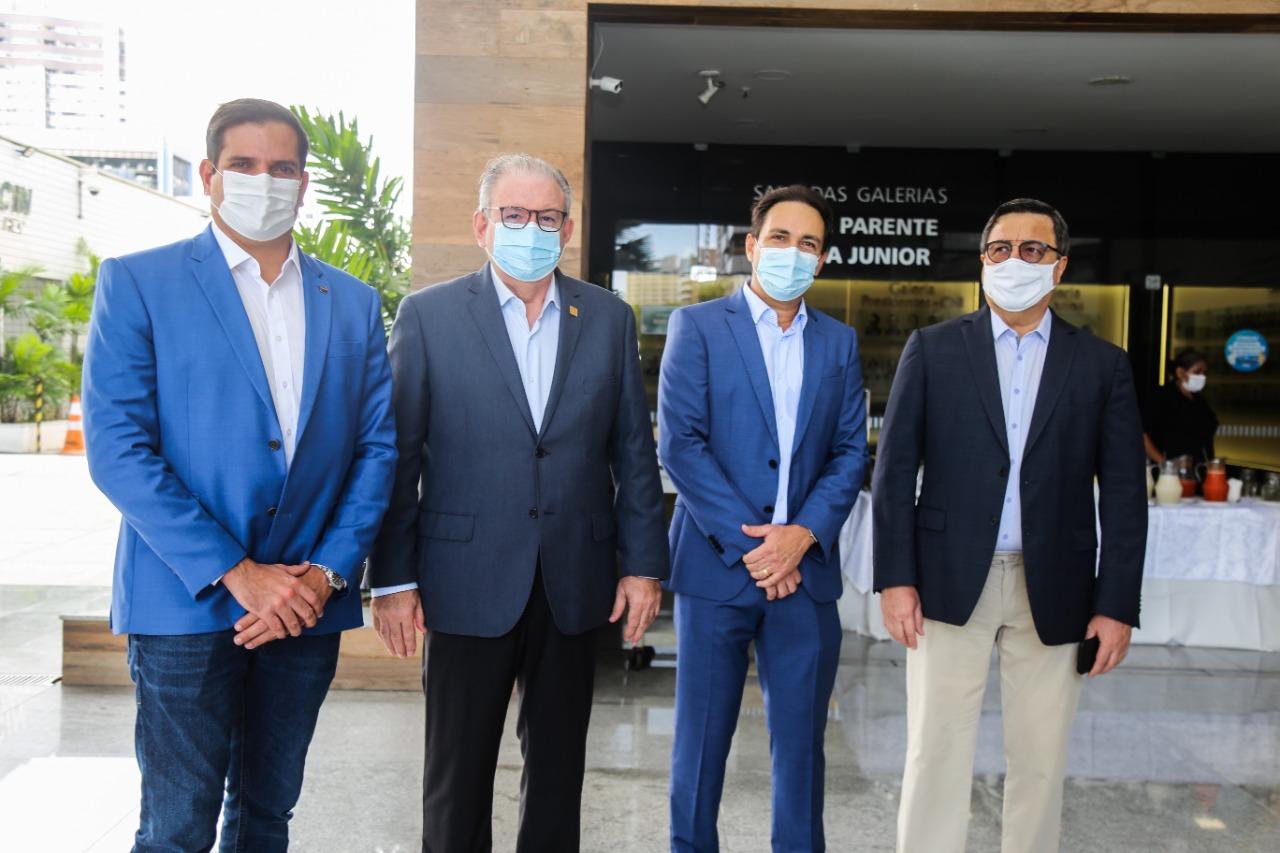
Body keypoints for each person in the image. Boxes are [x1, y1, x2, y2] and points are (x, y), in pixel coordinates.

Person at [81, 98, 397, 852]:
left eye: (282, 168)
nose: (265, 181)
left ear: (304, 182)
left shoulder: (352, 303)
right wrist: (238, 571)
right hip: (184, 601)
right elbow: (118, 447)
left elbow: (376, 450)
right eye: (245, 165)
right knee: (176, 824)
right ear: (208, 175)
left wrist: (322, 574)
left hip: (305, 604)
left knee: (266, 815)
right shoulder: (139, 283)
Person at [367, 153, 668, 853]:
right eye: (515, 215)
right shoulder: (429, 316)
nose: (532, 229)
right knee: (457, 773)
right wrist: (393, 577)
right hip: (462, 577)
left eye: (547, 217)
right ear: (482, 224)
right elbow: (397, 456)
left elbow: (632, 451)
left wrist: (643, 564)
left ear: (566, 229)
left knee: (559, 772)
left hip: (575, 578)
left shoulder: (607, 317)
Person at [872, 198, 1147, 853]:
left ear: (1060, 267)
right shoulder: (933, 349)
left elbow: (1126, 496)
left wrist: (1116, 607)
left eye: (1033, 250)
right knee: (934, 751)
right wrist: (895, 578)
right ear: (982, 260)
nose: (1014, 261)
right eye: (1000, 249)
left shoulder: (1100, 364)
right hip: (945, 582)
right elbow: (893, 471)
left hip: (1054, 584)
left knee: (1041, 760)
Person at [659, 185, 868, 852]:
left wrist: (801, 535)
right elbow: (680, 444)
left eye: (808, 243)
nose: (792, 252)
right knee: (700, 746)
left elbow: (849, 450)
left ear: (823, 259)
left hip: (805, 578)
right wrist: (756, 546)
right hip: (718, 569)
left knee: (802, 750)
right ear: (751, 247)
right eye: (780, 238)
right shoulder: (697, 328)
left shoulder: (838, 343)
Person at [1143, 348, 1218, 465]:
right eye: (1197, 372)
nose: (1202, 377)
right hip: (1171, 472)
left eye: (1205, 373)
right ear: (1180, 373)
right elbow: (1142, 434)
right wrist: (1165, 465)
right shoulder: (1162, 397)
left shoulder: (1199, 401)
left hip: (1199, 470)